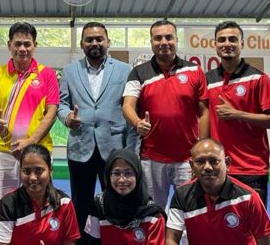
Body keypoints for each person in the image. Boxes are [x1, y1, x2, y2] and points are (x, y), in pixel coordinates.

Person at [57, 21, 134, 245]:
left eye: (99, 39)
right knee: (80, 202)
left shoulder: (124, 70)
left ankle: (115, 240)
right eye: (89, 39)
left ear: (108, 42)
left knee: (116, 199)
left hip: (114, 148)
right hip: (80, 147)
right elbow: (61, 103)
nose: (94, 43)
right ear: (82, 44)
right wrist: (67, 117)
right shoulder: (70, 71)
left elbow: (130, 105)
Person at [122, 19, 210, 208]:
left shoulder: (195, 70)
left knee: (189, 211)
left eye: (169, 37)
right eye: (158, 38)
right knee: (154, 212)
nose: (164, 42)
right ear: (151, 42)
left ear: (176, 40)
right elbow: (127, 106)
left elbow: (204, 112)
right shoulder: (138, 72)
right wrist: (137, 122)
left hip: (187, 159)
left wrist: (200, 152)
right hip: (151, 159)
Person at [205, 21, 270, 205]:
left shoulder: (258, 78)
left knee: (252, 221)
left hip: (251, 168)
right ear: (215, 45)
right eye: (222, 40)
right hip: (217, 167)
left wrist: (237, 114)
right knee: (219, 220)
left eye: (232, 39)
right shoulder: (208, 80)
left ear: (242, 44)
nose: (227, 44)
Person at [0, 22, 60, 202]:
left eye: (27, 44)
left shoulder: (48, 74)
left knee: (41, 203)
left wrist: (30, 142)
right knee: (5, 203)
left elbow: (52, 113)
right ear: (9, 45)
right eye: (17, 44)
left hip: (39, 151)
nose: (22, 49)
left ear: (35, 45)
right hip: (4, 152)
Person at [165, 139, 270, 245]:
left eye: (214, 161)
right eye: (200, 161)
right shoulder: (181, 195)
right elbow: (171, 238)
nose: (207, 167)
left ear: (227, 163)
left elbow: (266, 241)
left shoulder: (248, 198)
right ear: (192, 166)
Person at [0, 144, 81, 245]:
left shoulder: (64, 203)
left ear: (50, 171)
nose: (33, 177)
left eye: (39, 171)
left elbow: (70, 243)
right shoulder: (6, 206)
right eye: (26, 171)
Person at [85, 149, 166, 245]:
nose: (122, 180)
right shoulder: (98, 206)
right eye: (116, 173)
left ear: (137, 175)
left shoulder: (154, 215)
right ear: (108, 175)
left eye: (128, 173)